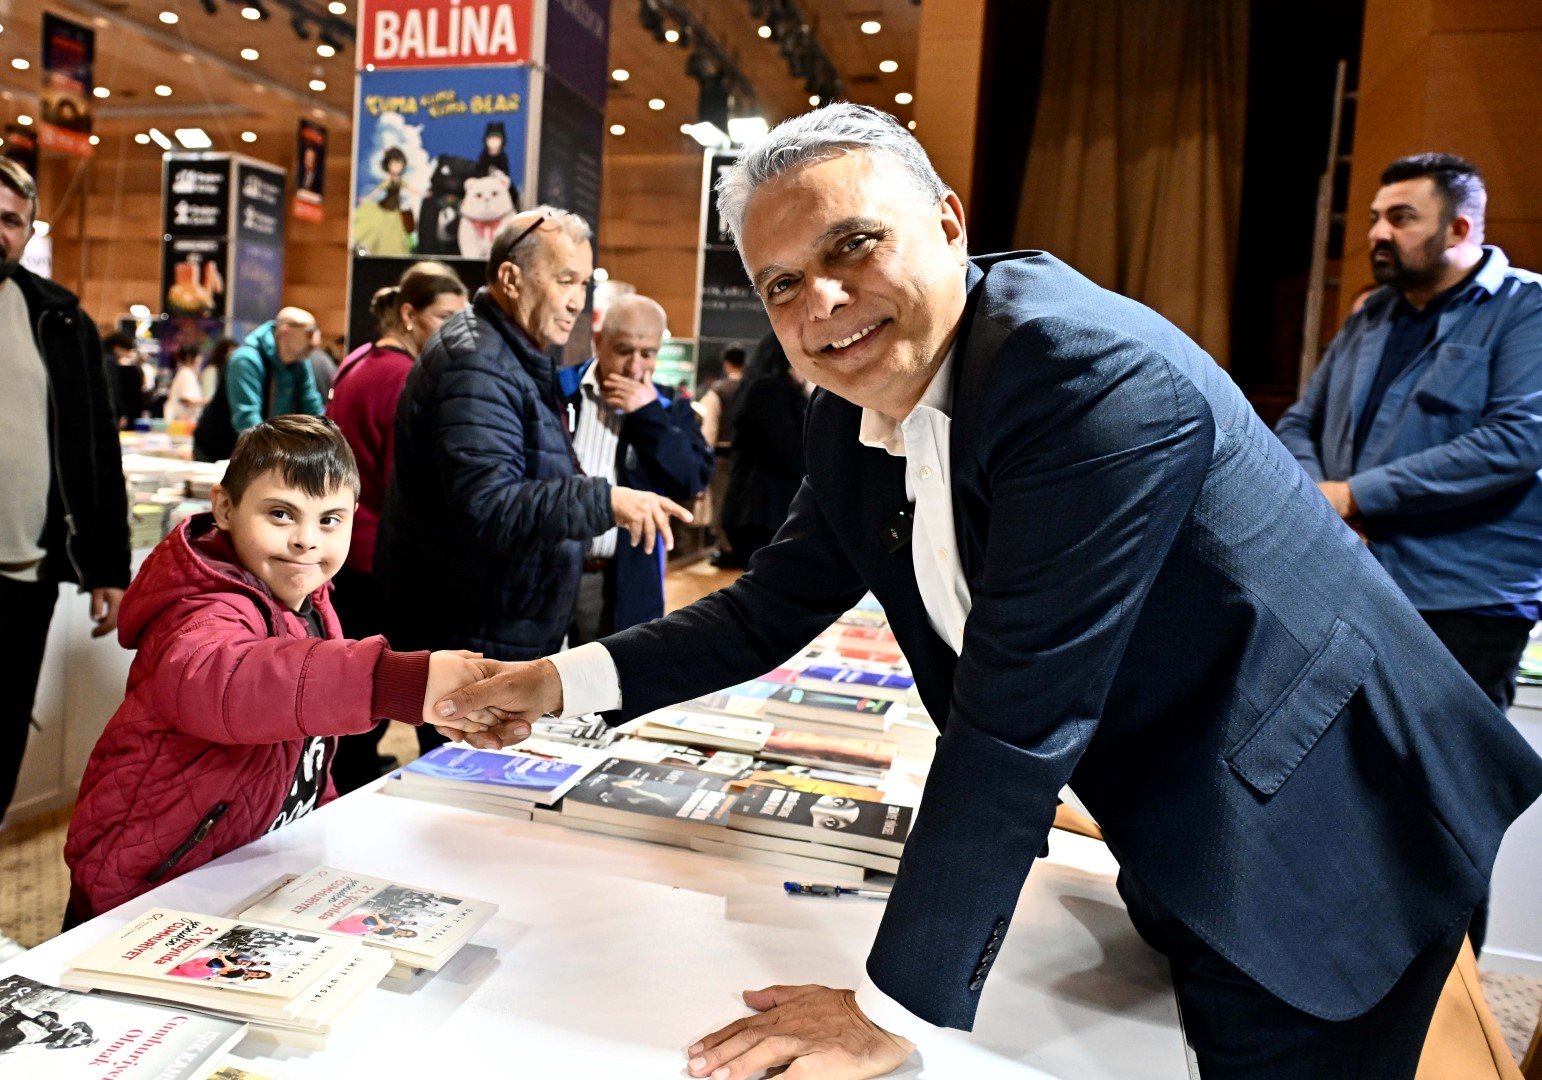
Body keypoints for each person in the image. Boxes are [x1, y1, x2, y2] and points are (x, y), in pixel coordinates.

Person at [433, 106, 1542, 1080]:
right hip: (1183, 798)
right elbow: (771, 605)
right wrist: (559, 679)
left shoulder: (1081, 374)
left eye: (853, 244)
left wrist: (888, 1011)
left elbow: (1020, 710)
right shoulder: (847, 404)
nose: (821, 301)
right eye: (780, 284)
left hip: (1327, 817)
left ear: (951, 225)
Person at [62, 416, 495, 922]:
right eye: (281, 514)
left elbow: (306, 752)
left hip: (242, 873)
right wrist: (393, 682)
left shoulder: (310, 602)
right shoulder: (201, 609)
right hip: (145, 885)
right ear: (224, 507)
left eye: (329, 520)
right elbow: (231, 683)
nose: (306, 541)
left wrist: (319, 832)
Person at [1274, 153, 1542, 953]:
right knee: (1343, 798)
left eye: (1401, 218)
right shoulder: (1371, 316)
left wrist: (1356, 497)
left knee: (1442, 814)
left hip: (1464, 602)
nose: (1378, 234)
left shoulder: (1524, 311)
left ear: (1461, 228)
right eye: (1373, 218)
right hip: (1353, 584)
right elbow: (1300, 423)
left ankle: (1444, 1009)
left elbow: (1519, 440)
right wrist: (1314, 503)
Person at [379, 207, 693, 755]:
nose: (578, 300)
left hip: (498, 618)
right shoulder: (477, 361)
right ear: (511, 278)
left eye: (584, 283)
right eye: (564, 279)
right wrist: (606, 500)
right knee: (464, 802)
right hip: (475, 627)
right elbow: (487, 504)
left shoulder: (509, 355)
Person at [0, 155, 129, 842]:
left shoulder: (59, 318)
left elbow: (94, 448)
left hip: (25, 578)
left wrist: (108, 563)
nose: (1, 231)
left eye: (11, 220)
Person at [327, 262, 468, 794]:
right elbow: (401, 485)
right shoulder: (399, 376)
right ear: (409, 315)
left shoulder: (358, 361)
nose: (454, 330)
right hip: (376, 556)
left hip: (355, 552)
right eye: (444, 317)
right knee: (373, 691)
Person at [557, 294, 714, 642]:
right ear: (599, 342)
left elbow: (692, 479)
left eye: (648, 354)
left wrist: (647, 415)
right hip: (548, 571)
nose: (635, 367)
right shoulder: (559, 390)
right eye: (624, 351)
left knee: (609, 689)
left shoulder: (670, 406)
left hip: (625, 578)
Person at [718, 332, 809, 566]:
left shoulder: (764, 387)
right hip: (762, 512)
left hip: (763, 511)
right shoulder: (768, 390)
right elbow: (789, 452)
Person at [193, 307, 324, 462]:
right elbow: (247, 420)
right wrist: (279, 459)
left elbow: (312, 408)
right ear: (285, 330)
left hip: (260, 451)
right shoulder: (246, 360)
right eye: (309, 332)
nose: (316, 342)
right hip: (220, 451)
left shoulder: (300, 362)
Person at [701, 345, 747, 566]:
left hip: (722, 455)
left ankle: (726, 548)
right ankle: (742, 547)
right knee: (741, 503)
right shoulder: (752, 387)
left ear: (727, 363)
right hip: (747, 457)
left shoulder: (719, 390)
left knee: (720, 502)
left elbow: (709, 427)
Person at [101, 330, 145, 429]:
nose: (127, 355)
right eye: (126, 351)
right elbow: (114, 389)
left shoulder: (101, 359)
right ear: (117, 348)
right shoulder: (110, 362)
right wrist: (121, 413)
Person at [163, 343, 206, 424]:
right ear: (190, 358)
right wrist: (208, 401)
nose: (200, 359)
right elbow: (187, 400)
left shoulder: (185, 373)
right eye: (198, 356)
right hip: (180, 423)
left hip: (180, 422)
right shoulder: (186, 374)